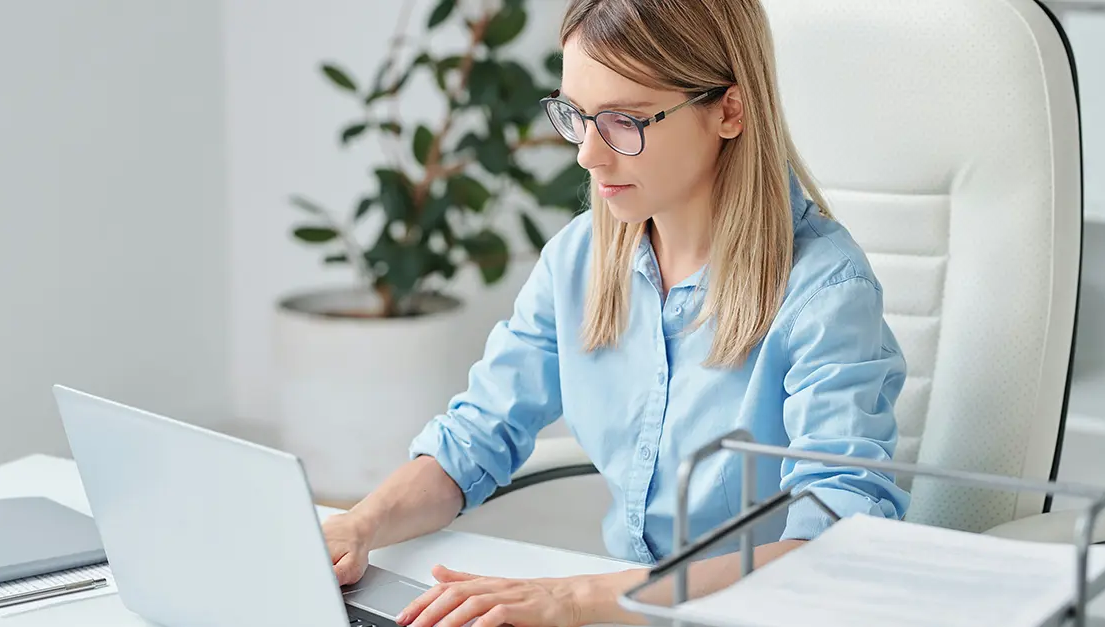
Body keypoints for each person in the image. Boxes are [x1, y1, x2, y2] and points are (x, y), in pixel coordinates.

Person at [322, 0, 911, 625]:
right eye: (576, 117)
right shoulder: (579, 259)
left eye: (625, 121)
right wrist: (357, 528)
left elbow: (835, 543)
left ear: (729, 111)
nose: (588, 156)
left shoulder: (824, 291)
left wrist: (574, 600)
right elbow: (474, 439)